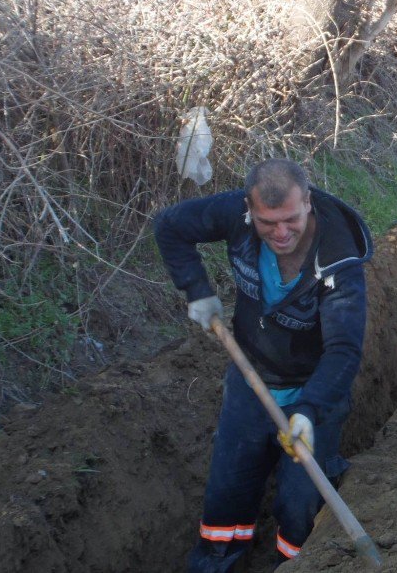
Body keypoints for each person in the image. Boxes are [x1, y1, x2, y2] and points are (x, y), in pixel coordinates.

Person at [154, 158, 373, 572]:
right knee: (227, 493)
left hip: (313, 389)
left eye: (290, 219)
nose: (281, 233)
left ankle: (294, 564)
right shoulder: (236, 215)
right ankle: (219, 563)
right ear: (250, 210)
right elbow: (169, 226)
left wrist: (309, 410)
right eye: (267, 223)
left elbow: (343, 349)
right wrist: (197, 290)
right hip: (251, 378)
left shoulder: (338, 261)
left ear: (307, 202)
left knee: (298, 507)